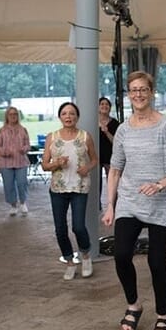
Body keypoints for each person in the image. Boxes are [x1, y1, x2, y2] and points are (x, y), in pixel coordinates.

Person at [102, 71, 166, 330]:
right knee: (121, 254)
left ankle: (163, 314)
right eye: (133, 90)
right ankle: (134, 305)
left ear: (151, 93)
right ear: (129, 96)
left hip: (161, 202)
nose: (138, 94)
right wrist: (110, 206)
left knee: (156, 261)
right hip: (129, 200)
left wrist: (160, 184)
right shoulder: (124, 130)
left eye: (143, 89)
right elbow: (115, 170)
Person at [41, 102, 98, 280]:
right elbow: (44, 165)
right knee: (60, 229)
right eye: (64, 113)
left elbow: (95, 159)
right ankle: (69, 261)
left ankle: (86, 256)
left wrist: (87, 168)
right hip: (58, 189)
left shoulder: (85, 136)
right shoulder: (52, 137)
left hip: (79, 187)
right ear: (60, 117)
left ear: (77, 117)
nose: (68, 116)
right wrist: (56, 163)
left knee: (78, 227)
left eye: (72, 113)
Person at [0, 106, 30, 216]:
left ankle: (23, 202)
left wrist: (24, 149)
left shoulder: (23, 129)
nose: (13, 116)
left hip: (21, 161)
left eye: (15, 114)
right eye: (10, 114)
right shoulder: (2, 130)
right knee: (8, 185)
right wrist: (4, 152)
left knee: (22, 183)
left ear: (18, 116)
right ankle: (13, 205)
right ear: (7, 116)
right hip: (6, 163)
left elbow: (27, 144)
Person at [98, 96, 120, 210]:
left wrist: (106, 132)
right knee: (96, 183)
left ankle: (113, 205)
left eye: (107, 104)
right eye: (102, 104)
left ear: (110, 108)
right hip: (95, 157)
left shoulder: (114, 123)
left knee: (111, 181)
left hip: (110, 156)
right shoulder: (92, 121)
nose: (104, 106)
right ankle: (96, 205)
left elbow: (116, 142)